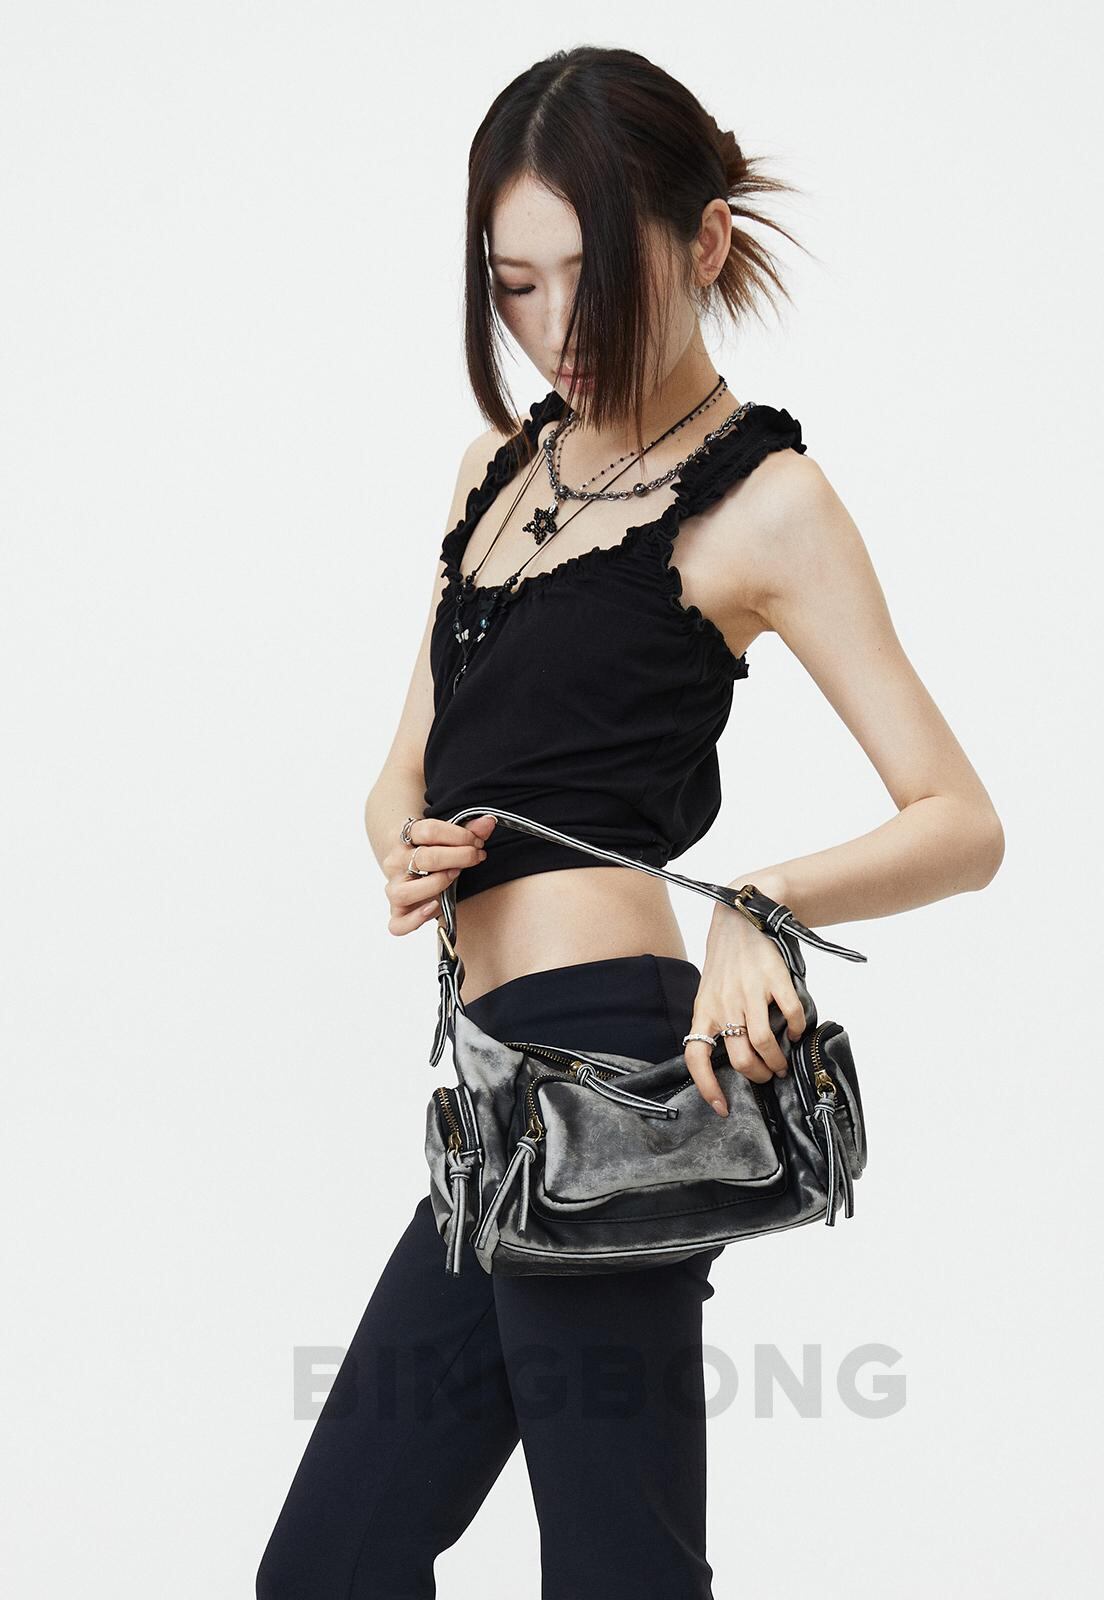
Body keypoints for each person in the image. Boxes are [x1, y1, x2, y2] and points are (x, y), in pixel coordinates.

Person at [256, 43, 1004, 1600]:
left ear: (704, 242)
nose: (552, 329)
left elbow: (960, 819)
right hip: (489, 1094)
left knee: (617, 1573)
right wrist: (403, 842)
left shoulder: (764, 503)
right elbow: (406, 767)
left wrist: (764, 902)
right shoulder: (496, 473)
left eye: (588, 279)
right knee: (331, 1564)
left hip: (612, 1073)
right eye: (512, 287)